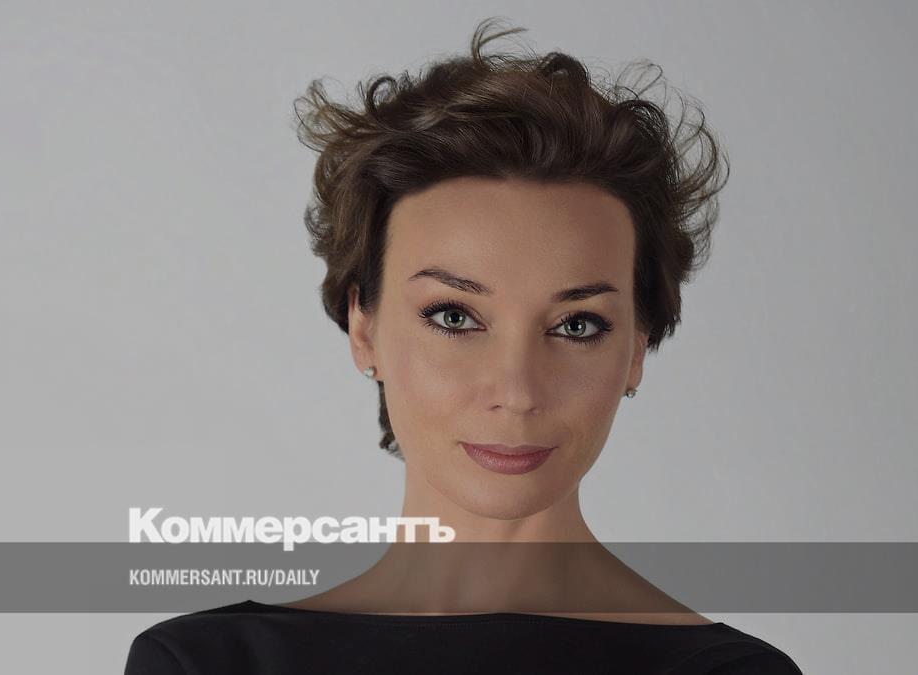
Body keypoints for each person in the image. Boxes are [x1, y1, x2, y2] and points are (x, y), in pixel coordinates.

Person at [125, 16, 802, 674]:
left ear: (636, 351)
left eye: (576, 325)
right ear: (364, 328)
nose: (517, 391)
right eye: (454, 316)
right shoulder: (207, 663)